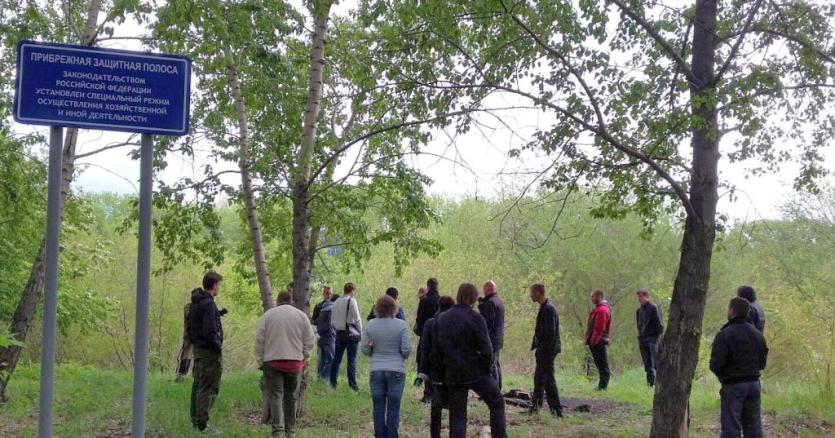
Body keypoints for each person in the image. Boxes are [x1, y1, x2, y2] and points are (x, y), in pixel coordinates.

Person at [434, 283, 506, 438]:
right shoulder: (476, 318)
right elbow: (487, 349)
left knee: (458, 413)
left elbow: (438, 348)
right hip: (475, 371)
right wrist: (487, 369)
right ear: (473, 297)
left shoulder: (442, 318)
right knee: (497, 402)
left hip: (453, 371)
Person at [255, 291, 315, 437]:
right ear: (291, 301)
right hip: (294, 362)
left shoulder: (268, 316)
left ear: (277, 301)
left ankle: (277, 431)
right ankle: (291, 430)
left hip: (272, 361)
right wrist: (305, 356)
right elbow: (310, 340)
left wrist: (260, 360)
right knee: (291, 397)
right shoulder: (301, 316)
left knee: (276, 396)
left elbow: (259, 340)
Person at [710, 297, 769, 438]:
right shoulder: (757, 335)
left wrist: (725, 376)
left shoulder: (724, 335)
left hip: (733, 386)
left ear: (731, 311)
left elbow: (715, 364)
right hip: (754, 385)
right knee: (754, 429)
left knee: (731, 429)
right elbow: (762, 363)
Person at [361, 295, 412, 438]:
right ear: (394, 308)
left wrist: (373, 350)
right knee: (394, 407)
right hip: (396, 370)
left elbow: (364, 349)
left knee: (378, 407)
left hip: (376, 369)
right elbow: (407, 350)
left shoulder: (370, 325)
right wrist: (400, 356)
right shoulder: (401, 325)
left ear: (377, 308)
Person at [188, 272, 224, 433]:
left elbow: (193, 326)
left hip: (199, 349)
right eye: (219, 284)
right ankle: (202, 424)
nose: (219, 287)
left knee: (198, 384)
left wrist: (218, 314)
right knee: (209, 386)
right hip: (209, 351)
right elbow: (209, 330)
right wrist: (217, 346)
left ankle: (196, 420)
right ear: (214, 284)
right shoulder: (208, 304)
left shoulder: (196, 302)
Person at [419, 295, 455, 438]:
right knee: (454, 404)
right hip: (453, 369)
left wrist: (422, 371)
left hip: (435, 369)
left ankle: (435, 435)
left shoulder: (430, 323)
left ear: (439, 306)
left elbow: (425, 348)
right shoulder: (456, 322)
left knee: (436, 404)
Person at [529, 283, 563, 417]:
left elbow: (550, 332)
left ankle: (556, 411)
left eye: (532, 292)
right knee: (539, 379)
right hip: (543, 350)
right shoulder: (545, 307)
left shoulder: (549, 309)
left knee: (548, 380)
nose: (531, 295)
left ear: (538, 292)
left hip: (547, 351)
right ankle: (535, 408)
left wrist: (541, 345)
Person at [330, 282, 362, 390]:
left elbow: (332, 321)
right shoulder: (352, 301)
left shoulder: (336, 302)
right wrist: (360, 331)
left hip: (339, 333)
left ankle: (332, 383)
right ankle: (352, 385)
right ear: (352, 291)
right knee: (351, 360)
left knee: (336, 359)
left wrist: (338, 328)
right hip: (351, 334)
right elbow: (357, 319)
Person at [415, 278, 440, 401]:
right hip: (439, 336)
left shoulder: (425, 301)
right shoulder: (440, 300)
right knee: (436, 363)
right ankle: (436, 392)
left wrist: (420, 332)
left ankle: (428, 394)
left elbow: (419, 319)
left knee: (424, 361)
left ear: (428, 286)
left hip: (426, 335)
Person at [478, 280, 505, 389]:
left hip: (491, 339)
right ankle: (498, 388)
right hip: (498, 338)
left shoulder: (490, 303)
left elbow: (486, 322)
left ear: (487, 289)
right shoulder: (498, 301)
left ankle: (493, 390)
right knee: (496, 364)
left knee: (491, 365)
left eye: (484, 290)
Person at [635, 288, 664, 387]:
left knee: (654, 364)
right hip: (643, 341)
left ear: (646, 296)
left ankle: (659, 385)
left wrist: (655, 338)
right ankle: (650, 385)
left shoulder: (653, 308)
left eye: (641, 296)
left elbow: (660, 326)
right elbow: (639, 326)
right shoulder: (638, 311)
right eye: (638, 296)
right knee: (647, 365)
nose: (639, 298)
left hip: (652, 340)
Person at [585, 288, 612, 390]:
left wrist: (593, 341)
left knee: (602, 363)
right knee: (599, 363)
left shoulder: (602, 310)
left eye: (593, 296)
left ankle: (603, 385)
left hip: (599, 341)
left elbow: (599, 327)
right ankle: (601, 385)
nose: (591, 298)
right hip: (596, 341)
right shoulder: (598, 309)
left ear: (599, 296)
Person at [315, 293, 339, 380]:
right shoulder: (332, 309)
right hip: (329, 338)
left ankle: (319, 377)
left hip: (321, 338)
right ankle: (323, 378)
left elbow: (316, 322)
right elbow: (331, 325)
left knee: (322, 360)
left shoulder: (323, 308)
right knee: (333, 360)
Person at [175, 300, 193, 382]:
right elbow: (188, 316)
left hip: (197, 335)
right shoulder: (188, 307)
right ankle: (181, 374)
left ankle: (184, 374)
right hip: (189, 334)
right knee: (186, 354)